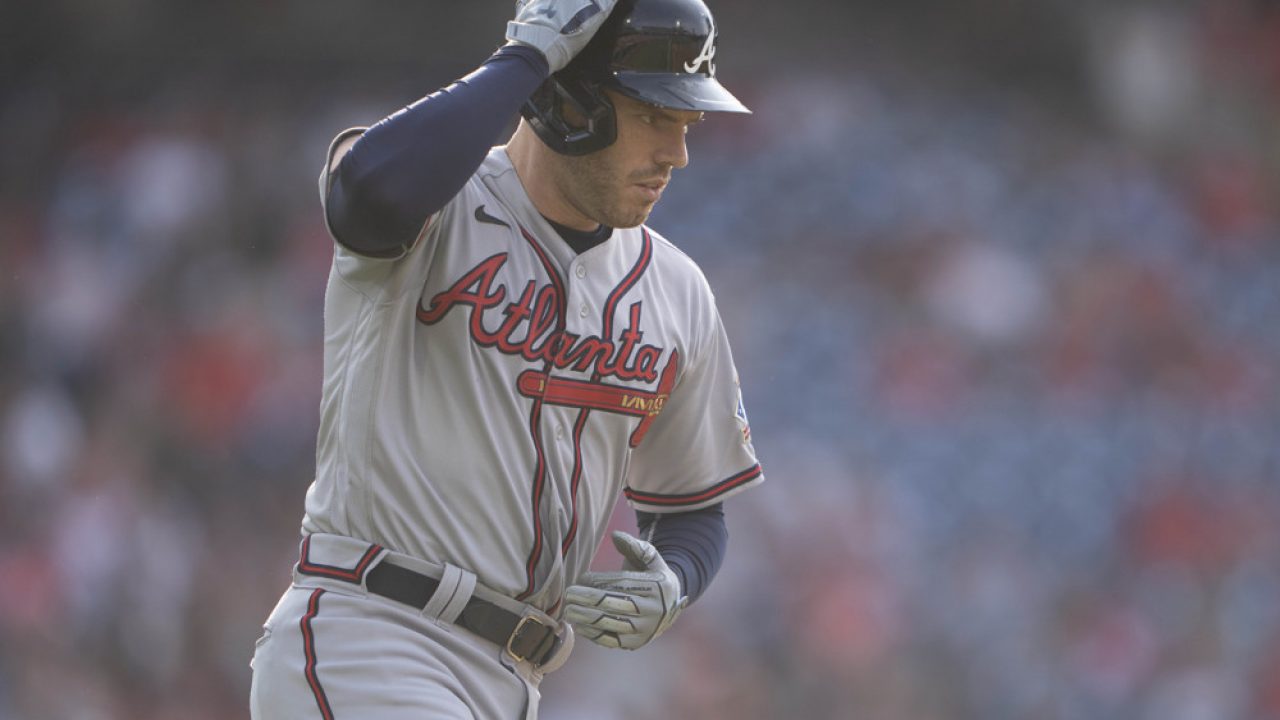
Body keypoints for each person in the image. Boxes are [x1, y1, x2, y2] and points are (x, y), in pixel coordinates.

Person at [249, 0, 763, 716]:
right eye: (653, 117)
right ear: (565, 104)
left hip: (515, 680)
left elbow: (693, 509)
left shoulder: (676, 291)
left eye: (685, 124)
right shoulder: (435, 205)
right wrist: (527, 57)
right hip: (373, 636)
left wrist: (674, 581)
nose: (676, 153)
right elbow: (367, 191)